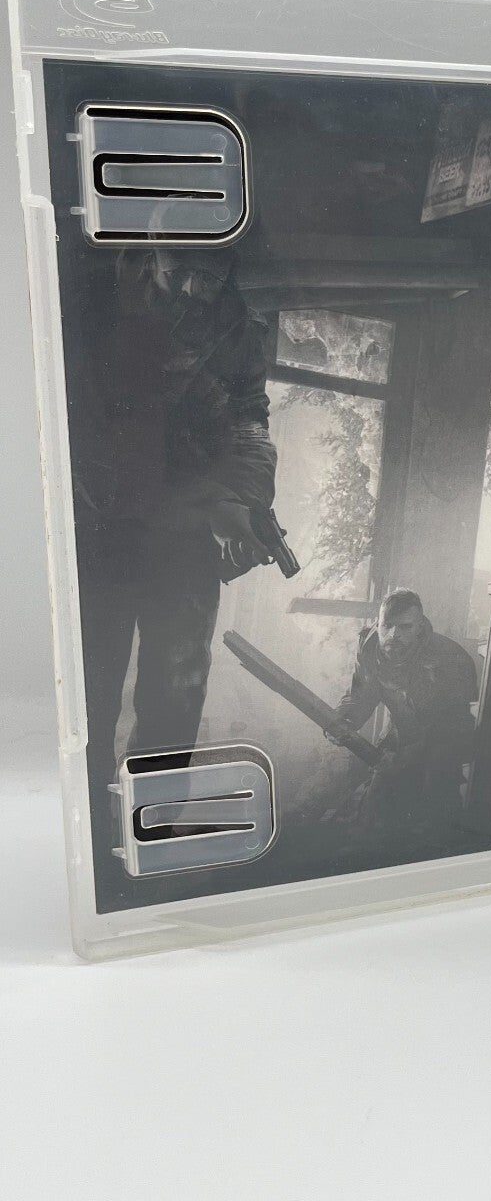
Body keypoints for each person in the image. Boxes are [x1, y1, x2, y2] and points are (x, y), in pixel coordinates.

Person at [75, 248, 277, 850]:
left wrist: (238, 499)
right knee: (87, 686)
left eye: (208, 277)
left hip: (185, 530)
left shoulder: (239, 328)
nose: (191, 289)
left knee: (176, 692)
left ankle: (151, 831)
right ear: (148, 254)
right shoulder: (89, 301)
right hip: (98, 525)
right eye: (177, 273)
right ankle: (79, 834)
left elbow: (251, 421)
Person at [328, 589, 479, 841]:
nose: (393, 635)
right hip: (400, 730)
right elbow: (361, 694)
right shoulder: (370, 647)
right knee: (374, 808)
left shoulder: (451, 659)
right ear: (378, 622)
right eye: (387, 625)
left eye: (405, 627)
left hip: (444, 739)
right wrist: (343, 720)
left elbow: (452, 723)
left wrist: (405, 758)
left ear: (419, 627)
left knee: (434, 806)